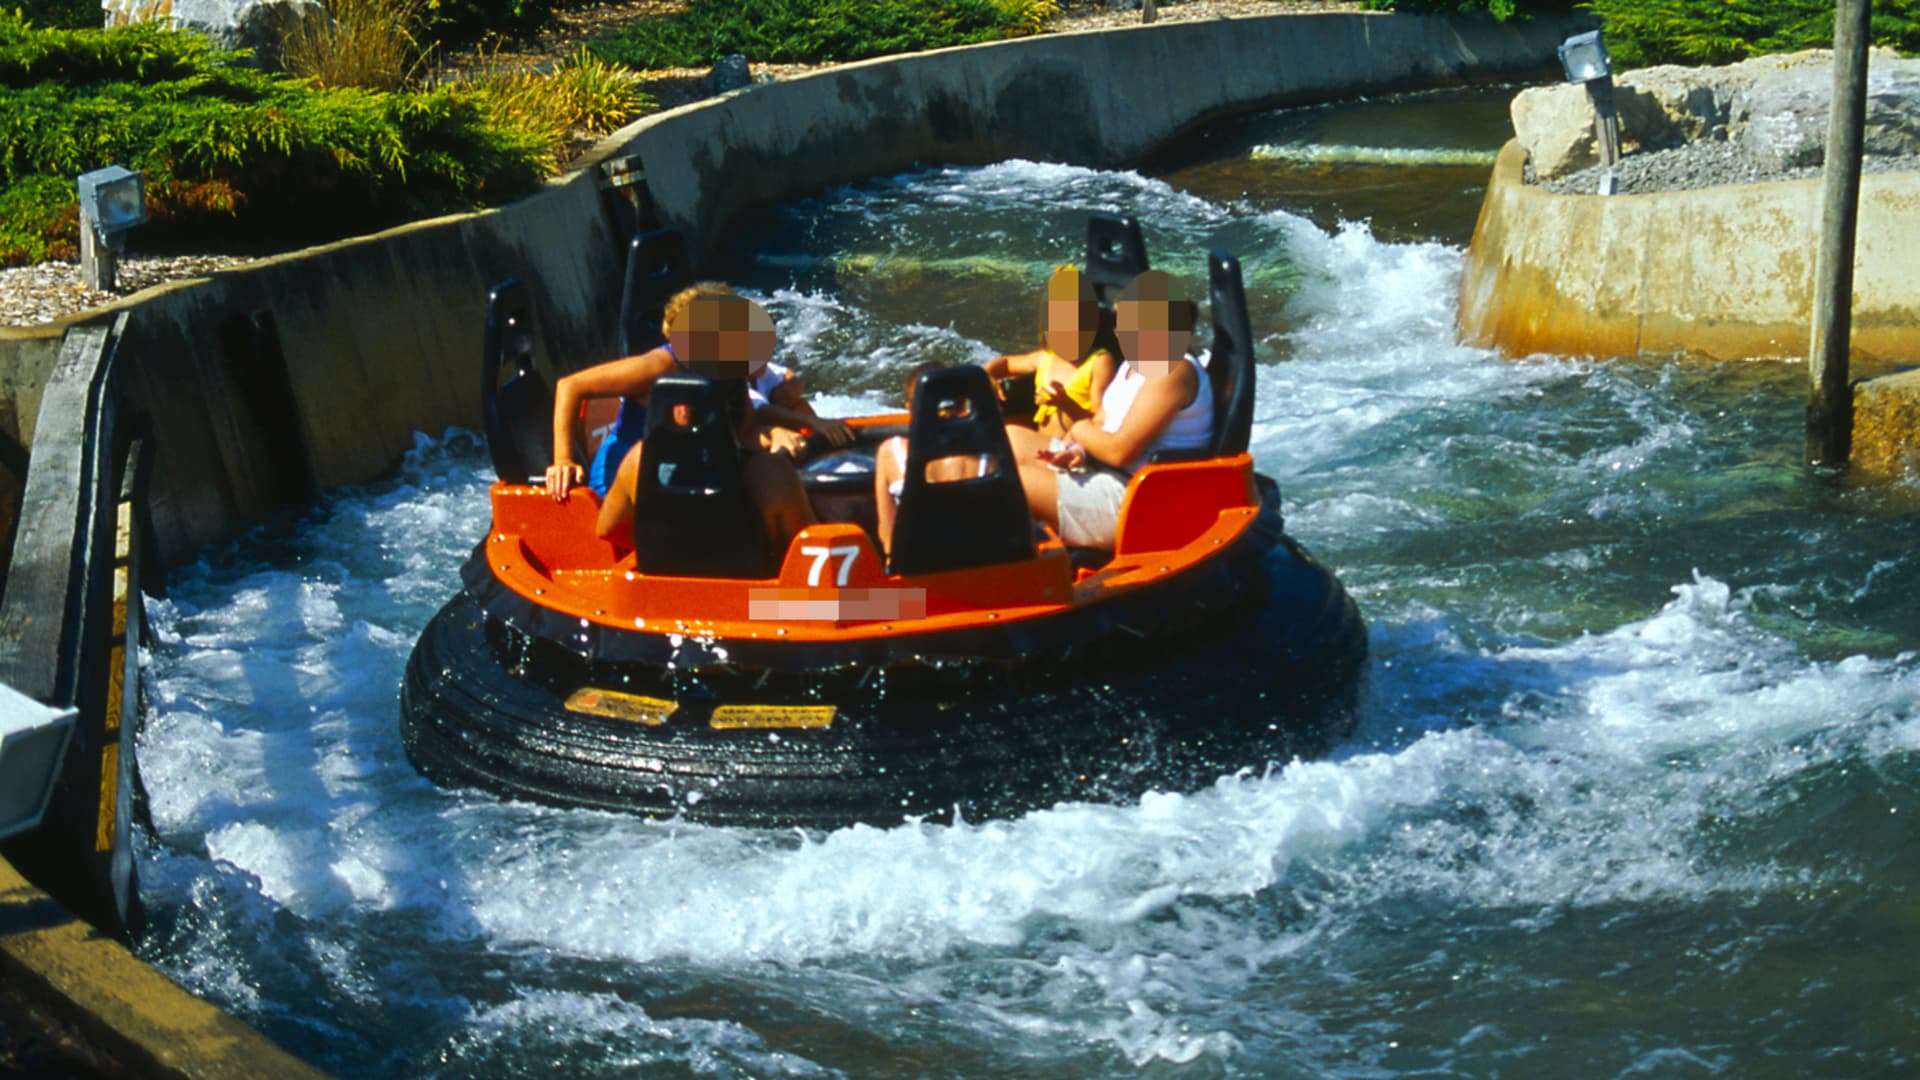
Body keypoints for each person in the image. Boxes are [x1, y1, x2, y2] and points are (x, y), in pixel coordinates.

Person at [585, 293, 817, 548]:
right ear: (743, 406)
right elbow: (808, 551)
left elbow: (608, 529)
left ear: (676, 408)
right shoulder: (770, 473)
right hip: (753, 587)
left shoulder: (639, 460)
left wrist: (671, 555)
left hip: (667, 582)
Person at [1014, 270, 1213, 550]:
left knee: (1008, 480)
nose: (1119, 333)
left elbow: (1120, 451)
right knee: (1008, 438)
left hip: (1135, 499)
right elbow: (1103, 419)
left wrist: (1079, 430)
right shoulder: (1134, 365)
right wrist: (1077, 451)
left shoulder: (1172, 370)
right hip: (1101, 469)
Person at [984, 266, 1118, 463]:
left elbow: (1100, 420)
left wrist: (1066, 404)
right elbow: (1005, 363)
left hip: (1070, 450)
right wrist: (988, 375)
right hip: (1041, 443)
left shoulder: (1098, 362)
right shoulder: (1046, 357)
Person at [872, 362, 998, 557]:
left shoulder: (890, 452)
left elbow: (887, 535)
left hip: (918, 568)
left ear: (910, 408)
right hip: (980, 562)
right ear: (962, 406)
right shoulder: (988, 453)